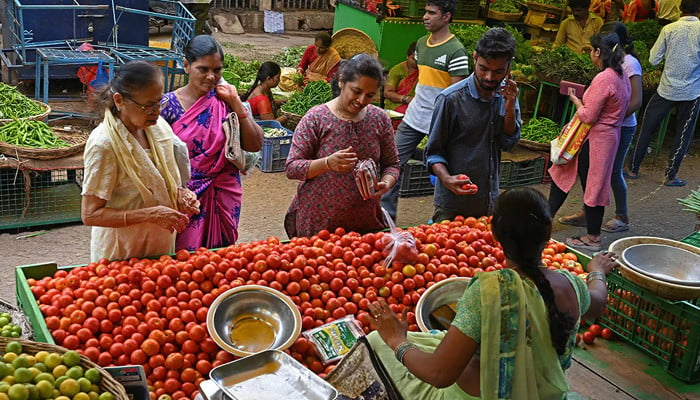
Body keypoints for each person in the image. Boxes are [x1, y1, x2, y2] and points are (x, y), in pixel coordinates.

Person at [365, 187, 617, 400]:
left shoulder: (489, 291)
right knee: (434, 339)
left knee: (377, 341)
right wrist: (597, 271)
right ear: (549, 232)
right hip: (546, 394)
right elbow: (598, 301)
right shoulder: (571, 284)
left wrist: (396, 340)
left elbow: (439, 375)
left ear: (494, 233)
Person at [81, 61, 200, 262]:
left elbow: (162, 179)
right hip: (122, 252)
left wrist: (179, 193)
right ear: (119, 101)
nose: (156, 111)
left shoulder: (158, 127)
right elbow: (90, 214)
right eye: (147, 105)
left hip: (160, 246)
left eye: (159, 102)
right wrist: (149, 215)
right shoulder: (104, 144)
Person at [160, 35, 263, 250]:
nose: (211, 76)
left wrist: (235, 102)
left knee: (222, 259)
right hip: (187, 195)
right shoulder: (167, 106)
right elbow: (156, 156)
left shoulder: (226, 100)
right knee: (185, 259)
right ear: (186, 66)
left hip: (224, 191)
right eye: (203, 69)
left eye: (217, 70)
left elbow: (254, 145)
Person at [284, 54, 400, 238]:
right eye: (356, 91)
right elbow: (292, 168)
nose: (361, 100)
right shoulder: (316, 118)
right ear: (341, 82)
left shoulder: (379, 119)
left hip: (365, 221)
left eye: (369, 95)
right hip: (319, 221)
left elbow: (392, 164)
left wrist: (386, 183)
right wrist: (327, 163)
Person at [381, 0, 469, 222]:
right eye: (425, 12)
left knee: (445, 171)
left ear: (446, 17)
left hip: (440, 121)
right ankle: (386, 220)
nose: (425, 17)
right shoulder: (421, 44)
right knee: (392, 165)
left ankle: (441, 219)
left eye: (432, 13)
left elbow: (456, 94)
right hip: (414, 116)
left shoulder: (456, 51)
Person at [425, 28, 521, 221]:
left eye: (498, 71)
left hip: (489, 201)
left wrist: (510, 109)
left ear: (508, 67)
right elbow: (433, 152)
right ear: (475, 58)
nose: (489, 77)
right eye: (484, 68)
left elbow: (508, 142)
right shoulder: (450, 99)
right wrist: (446, 179)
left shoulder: (508, 94)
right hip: (453, 205)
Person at [548, 32, 631, 252]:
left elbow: (588, 115)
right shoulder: (621, 75)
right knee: (569, 173)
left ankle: (593, 238)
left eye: (592, 51)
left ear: (598, 53)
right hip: (604, 138)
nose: (590, 55)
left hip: (597, 139)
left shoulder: (604, 78)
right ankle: (546, 218)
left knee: (593, 185)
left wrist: (576, 100)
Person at [558, 22, 643, 233]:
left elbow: (636, 100)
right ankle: (588, 214)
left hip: (620, 127)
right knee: (594, 173)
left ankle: (621, 216)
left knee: (612, 172)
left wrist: (610, 119)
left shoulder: (629, 64)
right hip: (607, 127)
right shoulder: (612, 66)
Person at [626, 0, 700, 187]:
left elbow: (653, 59)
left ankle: (633, 168)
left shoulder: (669, 29)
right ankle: (670, 176)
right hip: (691, 92)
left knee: (647, 127)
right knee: (683, 135)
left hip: (666, 88)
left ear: (679, 9)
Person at [383, 41, 419, 115]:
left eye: (419, 59)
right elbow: (387, 93)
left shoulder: (424, 70)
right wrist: (407, 99)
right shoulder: (397, 70)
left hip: (417, 105)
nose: (416, 62)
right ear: (407, 56)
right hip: (396, 105)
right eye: (413, 58)